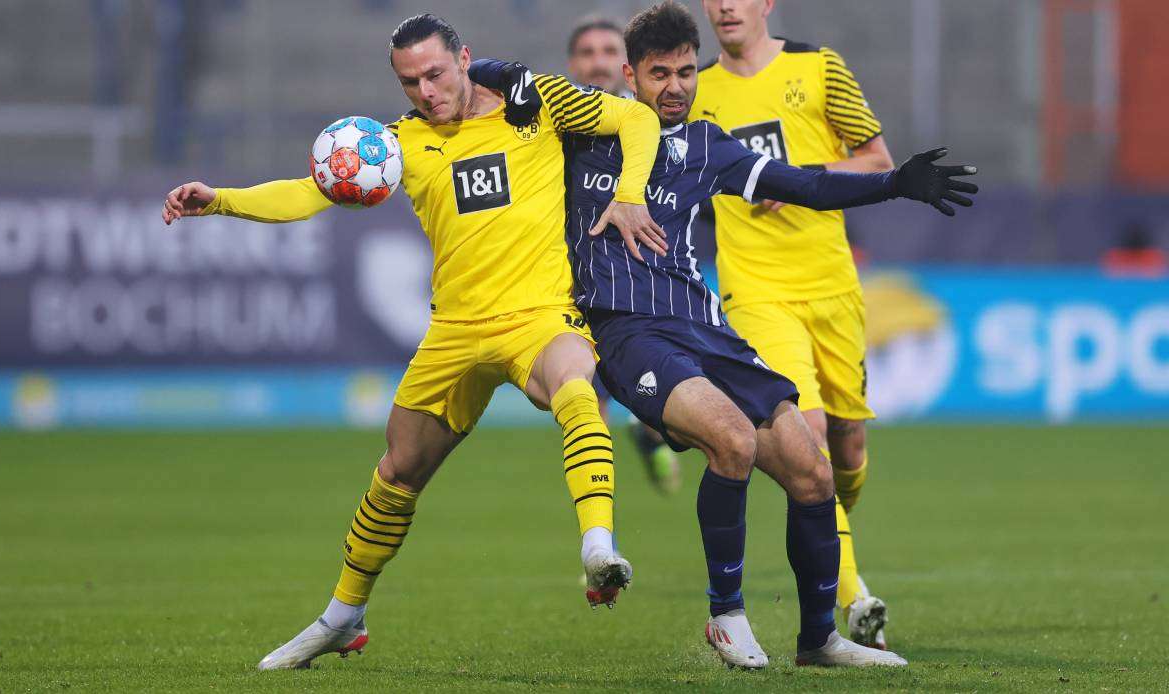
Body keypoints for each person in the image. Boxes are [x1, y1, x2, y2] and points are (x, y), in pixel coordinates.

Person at [470, 0, 974, 669]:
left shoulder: (709, 145)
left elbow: (805, 185)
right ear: (629, 74)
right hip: (625, 332)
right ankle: (726, 615)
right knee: (732, 441)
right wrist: (467, 65)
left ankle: (819, 639)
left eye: (685, 71)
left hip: (704, 328)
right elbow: (512, 80)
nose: (675, 86)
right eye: (659, 74)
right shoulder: (584, 133)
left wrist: (894, 183)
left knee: (814, 473)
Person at [160, 13, 665, 670]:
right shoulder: (396, 145)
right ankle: (342, 615)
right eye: (410, 82)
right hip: (454, 332)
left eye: (434, 74)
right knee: (397, 473)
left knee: (576, 383)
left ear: (464, 59)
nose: (426, 92)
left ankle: (599, 546)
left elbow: (637, 120)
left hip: (537, 315)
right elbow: (307, 195)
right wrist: (220, 200)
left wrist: (629, 196)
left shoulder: (536, 101)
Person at [691, 0, 940, 648]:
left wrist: (798, 179)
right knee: (811, 430)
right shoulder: (696, 91)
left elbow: (874, 157)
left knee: (848, 449)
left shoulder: (820, 68)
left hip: (831, 284)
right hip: (755, 290)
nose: (723, 7)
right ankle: (855, 601)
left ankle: (826, 538)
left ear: (765, 3)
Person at [566, 14, 682, 494]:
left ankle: (650, 437)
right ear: (572, 63)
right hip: (571, 287)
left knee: (657, 411)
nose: (598, 62)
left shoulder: (655, 124)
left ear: (628, 65)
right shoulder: (554, 125)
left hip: (640, 285)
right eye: (588, 52)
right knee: (585, 415)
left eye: (609, 51)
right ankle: (600, 544)